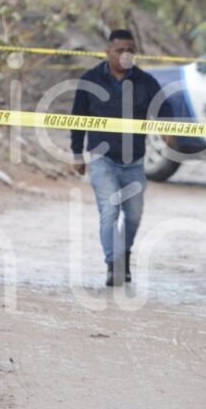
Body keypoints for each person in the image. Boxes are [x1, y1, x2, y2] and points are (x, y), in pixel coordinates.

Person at [70, 30, 172, 286]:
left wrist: (169, 130)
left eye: (130, 50)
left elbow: (165, 111)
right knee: (109, 211)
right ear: (107, 51)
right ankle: (113, 264)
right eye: (120, 50)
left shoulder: (145, 82)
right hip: (102, 160)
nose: (126, 55)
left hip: (134, 163)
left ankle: (124, 256)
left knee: (134, 215)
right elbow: (76, 119)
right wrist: (76, 153)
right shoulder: (90, 79)